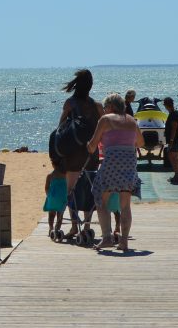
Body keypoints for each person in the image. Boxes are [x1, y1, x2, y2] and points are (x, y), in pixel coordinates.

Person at [86, 92, 144, 252]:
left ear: (110, 107)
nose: (104, 111)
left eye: (105, 108)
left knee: (100, 198)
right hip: (130, 164)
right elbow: (140, 142)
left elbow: (92, 145)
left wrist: (89, 146)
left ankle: (107, 238)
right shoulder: (131, 120)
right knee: (125, 205)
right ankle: (124, 242)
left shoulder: (105, 120)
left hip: (112, 163)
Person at [55, 69, 103, 239]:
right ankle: (87, 225)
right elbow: (102, 129)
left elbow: (60, 127)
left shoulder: (70, 103)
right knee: (90, 189)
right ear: (90, 86)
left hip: (73, 155)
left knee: (71, 190)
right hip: (91, 154)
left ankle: (75, 226)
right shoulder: (97, 106)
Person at [44, 159, 68, 240]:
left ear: (53, 165)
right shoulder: (65, 175)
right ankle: (57, 228)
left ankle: (51, 228)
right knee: (60, 215)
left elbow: (46, 188)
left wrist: (49, 196)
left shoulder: (50, 175)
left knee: (51, 214)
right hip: (62, 197)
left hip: (53, 197)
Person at [163, 96, 178, 184]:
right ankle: (176, 175)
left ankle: (177, 175)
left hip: (175, 139)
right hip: (174, 139)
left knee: (173, 156)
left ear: (166, 105)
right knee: (172, 156)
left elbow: (174, 128)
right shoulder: (172, 113)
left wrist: (171, 140)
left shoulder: (174, 114)